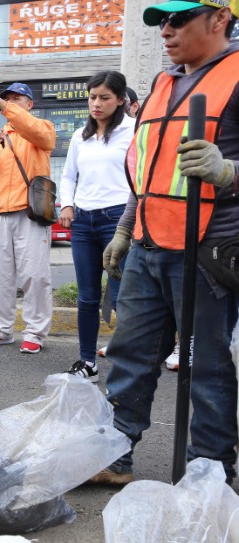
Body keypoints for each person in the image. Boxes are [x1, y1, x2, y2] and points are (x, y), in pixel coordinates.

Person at [89, 0, 239, 486]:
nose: (166, 31)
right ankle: (115, 455)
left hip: (208, 251)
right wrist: (124, 230)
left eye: (178, 20)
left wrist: (228, 172)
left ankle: (209, 473)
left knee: (208, 369)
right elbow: (148, 171)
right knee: (129, 355)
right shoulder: (162, 84)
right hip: (150, 244)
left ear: (220, 18)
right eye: (161, 23)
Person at [58, 70, 134, 381]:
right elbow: (68, 175)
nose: (97, 104)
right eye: (92, 97)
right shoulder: (81, 135)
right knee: (87, 296)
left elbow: (139, 178)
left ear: (120, 100)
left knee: (121, 296)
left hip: (118, 220)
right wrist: (66, 203)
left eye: (104, 97)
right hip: (84, 222)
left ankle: (130, 365)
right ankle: (87, 362)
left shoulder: (133, 131)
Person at [0, 83, 56, 354]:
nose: (9, 102)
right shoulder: (0, 135)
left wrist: (4, 107)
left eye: (16, 99)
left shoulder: (42, 127)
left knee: (35, 275)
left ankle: (35, 332)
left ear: (29, 104)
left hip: (31, 211)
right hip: (1, 210)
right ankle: (0, 328)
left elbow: (40, 135)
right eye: (7, 99)